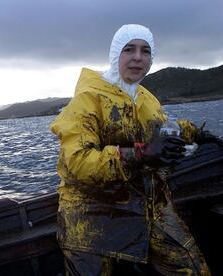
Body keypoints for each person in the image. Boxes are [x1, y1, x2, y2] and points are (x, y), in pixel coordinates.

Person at [50, 24, 220, 275]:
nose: (138, 57)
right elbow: (78, 163)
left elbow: (164, 128)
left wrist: (198, 133)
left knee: (192, 269)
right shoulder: (87, 100)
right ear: (115, 55)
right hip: (92, 213)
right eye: (129, 50)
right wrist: (141, 153)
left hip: (149, 205)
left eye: (146, 51)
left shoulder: (146, 98)